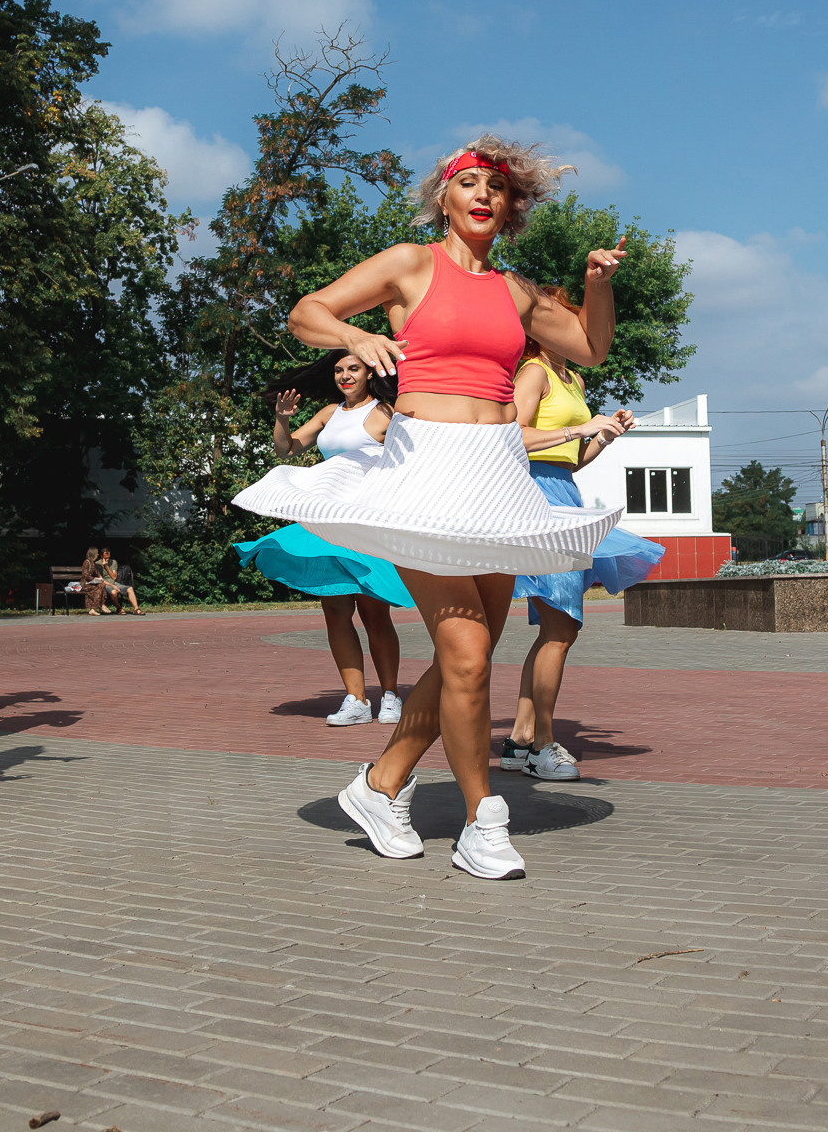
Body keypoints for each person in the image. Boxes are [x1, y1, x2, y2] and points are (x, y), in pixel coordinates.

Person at [234, 137, 628, 881]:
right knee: (470, 656)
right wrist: (355, 333)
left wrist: (594, 282)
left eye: (496, 189)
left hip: (498, 479)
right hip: (425, 472)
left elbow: (590, 345)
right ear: (444, 198)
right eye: (468, 184)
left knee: (460, 664)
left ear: (511, 208)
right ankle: (485, 818)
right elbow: (305, 312)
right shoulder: (410, 264)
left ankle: (381, 785)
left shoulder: (515, 291)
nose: (483, 196)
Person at [499, 306, 664, 781]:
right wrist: (579, 427)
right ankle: (542, 746)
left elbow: (570, 460)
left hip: (563, 492)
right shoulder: (533, 371)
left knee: (558, 627)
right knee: (560, 626)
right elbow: (512, 437)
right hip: (536, 497)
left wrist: (605, 436)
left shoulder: (572, 379)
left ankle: (521, 741)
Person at [235, 352, 410, 726]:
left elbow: (410, 462)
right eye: (338, 370)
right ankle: (356, 699)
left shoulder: (387, 412)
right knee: (335, 611)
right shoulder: (330, 413)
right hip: (328, 520)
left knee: (374, 612)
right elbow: (286, 449)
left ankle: (391, 695)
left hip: (366, 520)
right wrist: (282, 419)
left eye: (353, 369)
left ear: (369, 373)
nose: (345, 376)